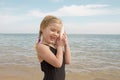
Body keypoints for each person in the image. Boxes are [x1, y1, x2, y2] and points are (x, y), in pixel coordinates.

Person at [36, 15, 71, 80]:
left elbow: (67, 61)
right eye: (52, 30)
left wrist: (66, 44)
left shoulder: (56, 47)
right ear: (42, 28)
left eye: (58, 32)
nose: (55, 34)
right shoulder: (42, 47)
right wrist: (60, 46)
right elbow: (58, 64)